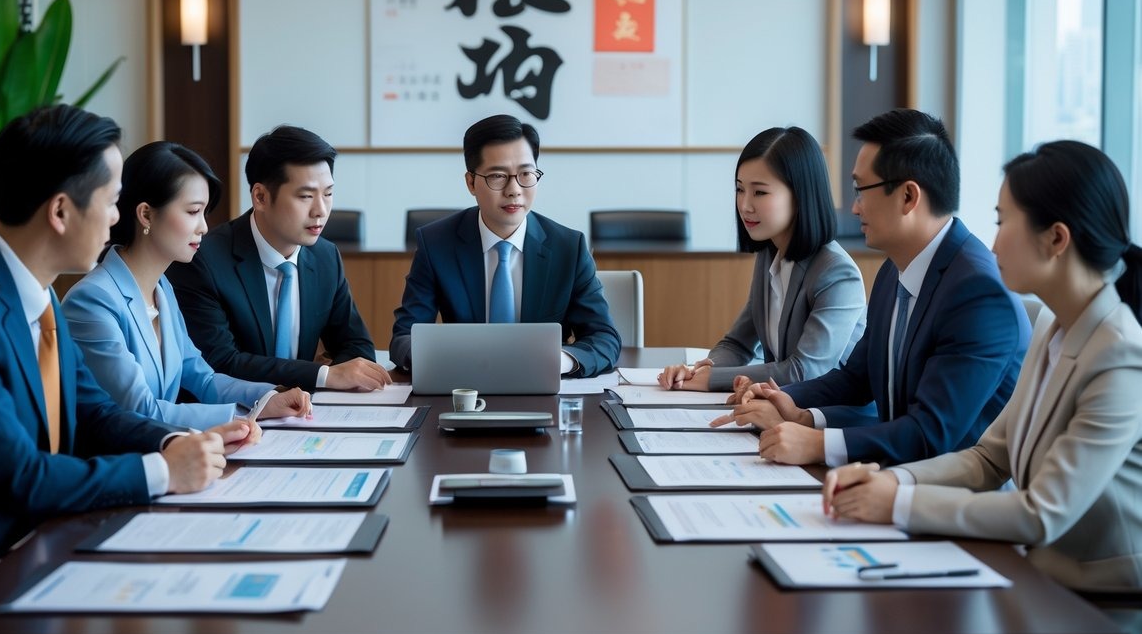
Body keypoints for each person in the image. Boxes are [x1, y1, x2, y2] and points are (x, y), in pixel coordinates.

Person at [0, 106, 256, 568]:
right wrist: (162, 471)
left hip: (51, 535)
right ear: (61, 210)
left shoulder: (36, 291)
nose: (117, 217)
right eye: (111, 201)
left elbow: (95, 411)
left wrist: (173, 442)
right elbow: (21, 476)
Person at [822, 140, 1142, 596]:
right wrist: (891, 478)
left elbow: (1042, 513)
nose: (992, 242)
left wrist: (899, 502)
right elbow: (990, 458)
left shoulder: (1120, 354)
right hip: (1038, 577)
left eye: (1002, 220)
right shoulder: (1055, 324)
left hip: (1103, 601)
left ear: (1056, 238)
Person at [713, 109, 1030, 466]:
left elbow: (930, 433)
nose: (854, 206)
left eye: (861, 189)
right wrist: (790, 403)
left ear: (909, 197)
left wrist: (818, 444)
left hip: (949, 502)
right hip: (889, 477)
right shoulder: (893, 272)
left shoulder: (978, 295)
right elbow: (856, 378)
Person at [62, 142, 312, 427]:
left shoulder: (162, 288)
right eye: (193, 212)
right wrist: (242, 416)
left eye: (204, 213)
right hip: (125, 462)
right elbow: (142, 411)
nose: (204, 226)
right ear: (146, 214)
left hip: (169, 451)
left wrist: (266, 398)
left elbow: (202, 378)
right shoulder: (92, 300)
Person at [389, 113, 621, 377]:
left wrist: (560, 360)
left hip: (542, 390)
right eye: (498, 176)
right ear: (471, 182)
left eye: (526, 173)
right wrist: (446, 359)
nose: (514, 189)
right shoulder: (436, 244)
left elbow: (604, 338)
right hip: (465, 386)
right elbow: (405, 336)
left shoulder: (569, 247)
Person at [168, 125, 390, 391]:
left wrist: (327, 382)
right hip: (233, 416)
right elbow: (219, 361)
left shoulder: (325, 257)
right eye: (305, 196)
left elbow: (357, 347)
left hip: (303, 418)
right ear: (260, 197)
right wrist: (323, 376)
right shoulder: (205, 261)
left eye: (328, 194)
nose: (320, 210)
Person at [655, 126, 866, 392]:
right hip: (782, 411)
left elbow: (805, 371)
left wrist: (712, 381)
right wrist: (699, 370)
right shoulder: (770, 255)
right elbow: (737, 344)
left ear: (800, 195)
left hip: (831, 418)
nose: (745, 205)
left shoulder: (836, 272)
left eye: (760, 192)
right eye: (740, 189)